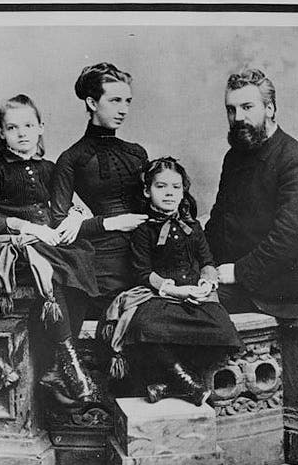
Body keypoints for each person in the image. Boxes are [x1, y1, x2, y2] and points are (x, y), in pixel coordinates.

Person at [0, 94, 101, 405]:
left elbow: (62, 207)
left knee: (82, 257)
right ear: (2, 133)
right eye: (13, 127)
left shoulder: (49, 167)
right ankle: (69, 363)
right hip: (12, 246)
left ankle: (59, 367)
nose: (22, 133)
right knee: (51, 269)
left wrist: (73, 216)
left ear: (41, 128)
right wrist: (27, 227)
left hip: (46, 239)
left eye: (29, 125)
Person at [104, 157, 243, 406]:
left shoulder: (193, 226)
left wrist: (206, 284)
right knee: (144, 327)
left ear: (183, 191)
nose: (169, 193)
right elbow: (142, 272)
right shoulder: (143, 229)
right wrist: (173, 290)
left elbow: (207, 261)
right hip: (160, 296)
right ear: (147, 191)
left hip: (195, 296)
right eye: (161, 186)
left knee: (225, 332)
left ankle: (168, 386)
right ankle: (187, 383)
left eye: (176, 187)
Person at [204, 68, 298, 318]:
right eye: (231, 109)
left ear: (270, 108)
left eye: (247, 107)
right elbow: (219, 223)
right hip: (241, 279)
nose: (238, 117)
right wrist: (202, 263)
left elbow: (291, 238)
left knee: (190, 311)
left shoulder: (297, 161)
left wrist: (238, 272)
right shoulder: (234, 158)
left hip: (288, 289)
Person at [50, 62, 149, 325]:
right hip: (105, 262)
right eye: (115, 100)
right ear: (93, 103)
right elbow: (59, 227)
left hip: (145, 252)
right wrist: (113, 222)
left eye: (127, 101)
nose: (124, 109)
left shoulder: (137, 152)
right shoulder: (71, 158)